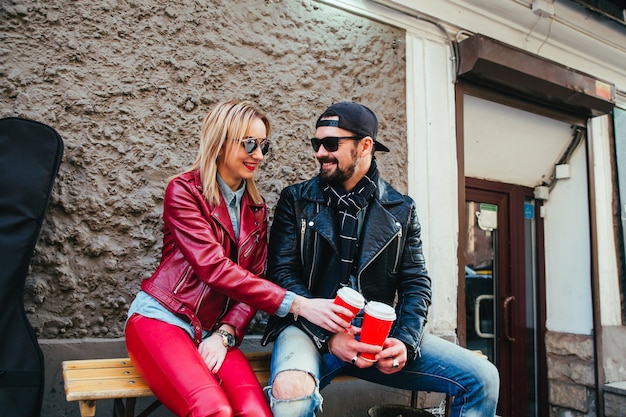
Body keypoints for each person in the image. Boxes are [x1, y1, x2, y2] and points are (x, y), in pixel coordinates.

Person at [261, 101, 500, 417]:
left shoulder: (401, 209)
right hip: (306, 328)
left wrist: (404, 340)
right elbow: (281, 273)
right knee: (292, 393)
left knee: (483, 377)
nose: (319, 152)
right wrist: (330, 335)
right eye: (316, 143)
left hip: (374, 335)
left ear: (365, 146)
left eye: (331, 143)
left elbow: (416, 283)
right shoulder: (297, 200)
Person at [124, 100, 352, 417]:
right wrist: (298, 303)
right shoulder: (184, 191)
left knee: (255, 412)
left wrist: (225, 334)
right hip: (162, 319)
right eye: (248, 143)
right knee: (213, 409)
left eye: (263, 146)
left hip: (211, 330)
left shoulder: (255, 208)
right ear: (219, 142)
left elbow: (255, 280)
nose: (257, 155)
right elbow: (214, 269)